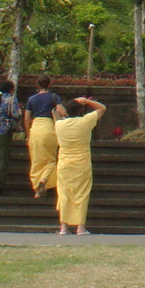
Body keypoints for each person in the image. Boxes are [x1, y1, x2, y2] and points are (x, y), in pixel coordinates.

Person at [52, 96, 106, 236]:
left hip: (64, 162)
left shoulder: (59, 125)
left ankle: (63, 227)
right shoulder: (85, 122)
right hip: (81, 162)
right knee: (82, 194)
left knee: (64, 194)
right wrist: (86, 101)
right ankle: (80, 227)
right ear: (81, 110)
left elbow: (56, 115)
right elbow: (102, 108)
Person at [22, 74, 61, 199]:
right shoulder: (54, 97)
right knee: (50, 159)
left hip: (36, 129)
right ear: (49, 84)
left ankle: (37, 189)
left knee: (36, 160)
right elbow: (62, 111)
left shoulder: (31, 99)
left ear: (37, 85)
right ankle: (44, 179)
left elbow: (27, 117)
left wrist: (28, 134)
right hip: (49, 128)